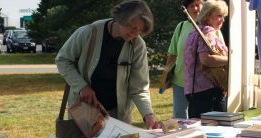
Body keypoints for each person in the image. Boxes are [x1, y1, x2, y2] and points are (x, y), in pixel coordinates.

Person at [55, 0, 159, 129]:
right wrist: (82, 87)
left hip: (118, 114)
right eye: (132, 28)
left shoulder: (137, 45)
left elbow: (139, 87)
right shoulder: (88, 32)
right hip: (84, 110)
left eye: (140, 31)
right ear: (121, 18)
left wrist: (148, 115)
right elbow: (63, 60)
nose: (135, 34)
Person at [183, 0, 228, 118]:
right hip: (209, 92)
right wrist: (231, 60)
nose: (222, 20)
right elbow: (206, 59)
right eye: (219, 16)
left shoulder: (194, 31)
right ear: (208, 15)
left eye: (223, 16)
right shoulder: (208, 32)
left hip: (194, 91)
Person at [164, 0, 203, 119]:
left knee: (199, 118)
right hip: (180, 81)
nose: (196, 9)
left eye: (198, 5)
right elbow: (172, 53)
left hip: (202, 83)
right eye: (192, 6)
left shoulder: (210, 27)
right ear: (187, 9)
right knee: (179, 117)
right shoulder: (181, 26)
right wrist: (165, 75)